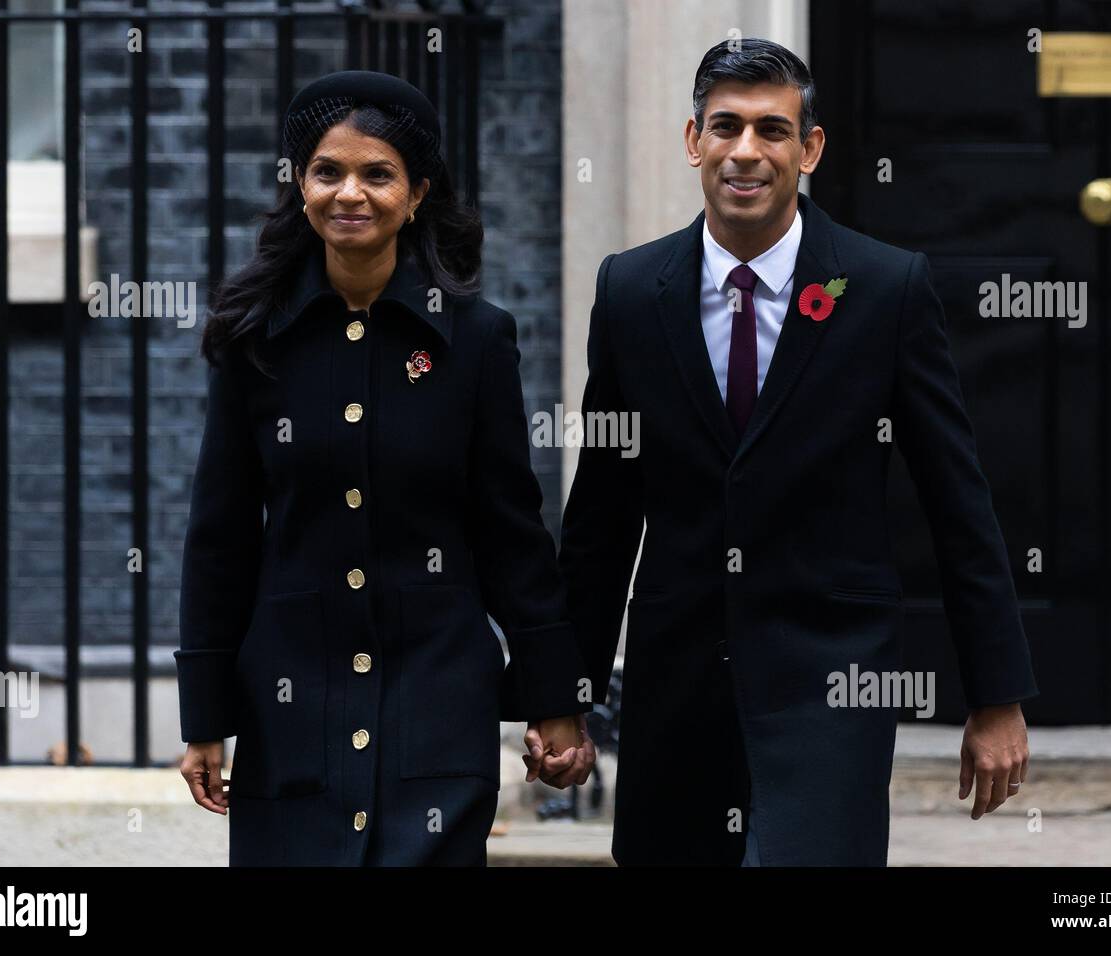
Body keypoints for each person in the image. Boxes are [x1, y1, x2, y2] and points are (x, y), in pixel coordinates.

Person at [555, 38, 1039, 866]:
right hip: (677, 685)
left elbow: (957, 503)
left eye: (772, 130)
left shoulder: (886, 289)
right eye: (726, 127)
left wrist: (997, 696)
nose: (747, 152)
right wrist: (564, 697)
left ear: (808, 149)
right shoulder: (632, 291)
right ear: (692, 141)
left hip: (832, 680)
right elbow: (601, 514)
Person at [175, 70, 592, 866]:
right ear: (300, 185)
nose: (349, 194)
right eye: (327, 172)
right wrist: (205, 715)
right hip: (291, 707)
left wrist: (556, 698)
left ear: (417, 191)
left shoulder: (473, 340)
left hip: (436, 702)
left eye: (377, 174)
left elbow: (511, 531)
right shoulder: (254, 340)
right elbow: (220, 535)